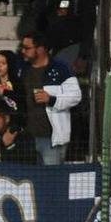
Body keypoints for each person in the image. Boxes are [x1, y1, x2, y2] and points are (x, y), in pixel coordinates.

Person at [18, 31, 81, 165]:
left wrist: (51, 99)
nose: (23, 51)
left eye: (27, 48)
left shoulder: (61, 68)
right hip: (28, 137)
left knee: (52, 181)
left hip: (52, 138)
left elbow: (76, 96)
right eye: (22, 47)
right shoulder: (23, 70)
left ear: (41, 49)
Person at [34, 0, 96, 77]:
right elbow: (43, 24)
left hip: (74, 48)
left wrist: (83, 56)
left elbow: (88, 26)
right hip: (54, 50)